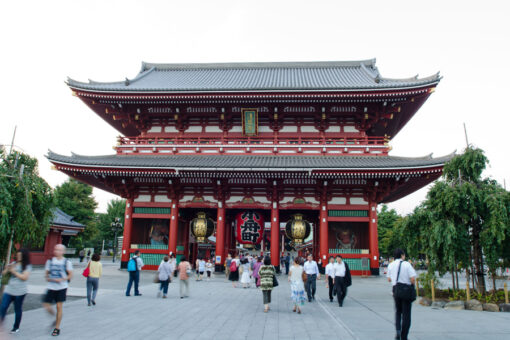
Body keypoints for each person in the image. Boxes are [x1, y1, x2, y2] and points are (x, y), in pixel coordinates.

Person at [42, 244, 73, 337]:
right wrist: (47, 278)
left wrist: (62, 279)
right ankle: (56, 317)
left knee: (59, 306)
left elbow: (70, 275)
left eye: (59, 250)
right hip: (51, 286)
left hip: (62, 287)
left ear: (63, 251)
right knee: (46, 305)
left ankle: (57, 328)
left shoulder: (67, 262)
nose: (57, 251)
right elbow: (46, 273)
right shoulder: (50, 261)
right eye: (56, 249)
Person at [387, 248, 417, 340]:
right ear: (402, 255)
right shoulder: (407, 264)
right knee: (406, 314)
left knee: (398, 312)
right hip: (406, 290)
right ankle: (404, 336)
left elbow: (389, 279)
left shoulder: (391, 265)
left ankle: (398, 331)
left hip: (396, 290)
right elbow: (412, 279)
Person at [0, 248, 31, 334]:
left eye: (20, 255)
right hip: (9, 290)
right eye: (18, 255)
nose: (18, 256)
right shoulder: (13, 263)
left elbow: (24, 278)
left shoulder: (27, 266)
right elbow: (4, 274)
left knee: (17, 309)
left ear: (24, 256)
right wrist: (7, 269)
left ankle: (16, 327)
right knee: (3, 307)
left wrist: (14, 272)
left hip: (20, 292)